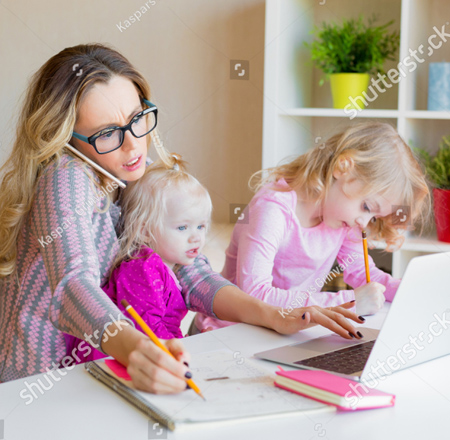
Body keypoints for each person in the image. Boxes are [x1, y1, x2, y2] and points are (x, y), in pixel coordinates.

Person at [0, 43, 364, 393]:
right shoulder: (66, 176)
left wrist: (274, 314)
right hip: (38, 385)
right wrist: (136, 348)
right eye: (108, 134)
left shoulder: (125, 173)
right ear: (64, 138)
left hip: (94, 373)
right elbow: (72, 287)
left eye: (136, 120)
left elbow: (192, 273)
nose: (134, 146)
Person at [194, 122, 431, 333]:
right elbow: (255, 295)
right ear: (342, 168)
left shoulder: (342, 218)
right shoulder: (273, 209)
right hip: (227, 331)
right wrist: (348, 301)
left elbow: (364, 273)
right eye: (367, 206)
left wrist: (412, 290)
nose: (364, 223)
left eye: (374, 217)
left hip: (284, 330)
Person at [64, 155, 212, 362]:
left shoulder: (167, 267)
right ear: (144, 231)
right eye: (182, 227)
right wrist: (186, 350)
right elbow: (150, 330)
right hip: (104, 359)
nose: (196, 237)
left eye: (201, 226)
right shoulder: (143, 268)